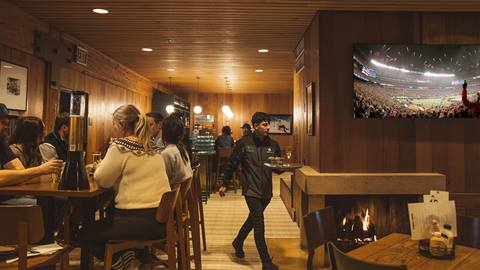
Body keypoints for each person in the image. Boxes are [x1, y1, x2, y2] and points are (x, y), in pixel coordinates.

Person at [76, 104, 171, 270]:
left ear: (123, 125)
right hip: (160, 219)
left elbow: (102, 180)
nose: (114, 129)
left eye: (114, 125)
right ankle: (127, 256)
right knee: (104, 220)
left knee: (80, 233)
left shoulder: (121, 146)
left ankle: (119, 259)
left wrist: (99, 167)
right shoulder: (151, 145)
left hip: (136, 221)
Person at [222, 112, 281, 270]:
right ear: (255, 126)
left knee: (253, 219)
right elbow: (232, 162)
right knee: (258, 222)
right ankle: (266, 262)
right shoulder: (244, 143)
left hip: (267, 192)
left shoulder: (274, 145)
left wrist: (284, 168)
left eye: (268, 123)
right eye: (264, 124)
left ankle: (238, 241)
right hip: (251, 190)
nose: (268, 127)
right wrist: (225, 183)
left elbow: (278, 166)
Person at [0, 103, 63, 187]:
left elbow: (21, 172)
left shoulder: (2, 144)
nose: (7, 127)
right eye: (3, 123)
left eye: (7, 123)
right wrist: (40, 170)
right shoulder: (15, 149)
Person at [161, 114, 193, 185]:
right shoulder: (182, 149)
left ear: (164, 133)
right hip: (180, 192)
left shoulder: (167, 153)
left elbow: (164, 179)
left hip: (171, 193)